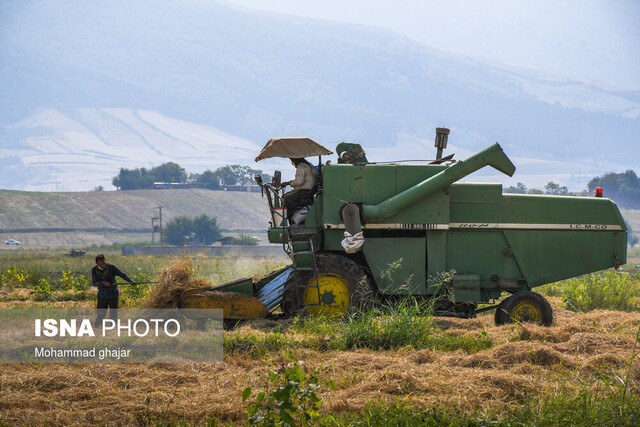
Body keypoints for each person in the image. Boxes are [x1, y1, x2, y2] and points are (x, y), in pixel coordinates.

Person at [91, 254, 135, 327]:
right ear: (97, 263)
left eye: (103, 263)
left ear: (104, 261)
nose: (102, 265)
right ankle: (98, 327)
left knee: (113, 313)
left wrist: (130, 280)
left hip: (113, 294)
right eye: (99, 264)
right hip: (102, 295)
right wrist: (103, 283)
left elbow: (122, 274)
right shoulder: (94, 270)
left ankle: (112, 328)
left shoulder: (112, 268)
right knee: (100, 313)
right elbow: (94, 283)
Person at [281, 157, 317, 223]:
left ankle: (284, 221)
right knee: (286, 196)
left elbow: (299, 181)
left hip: (304, 192)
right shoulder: (309, 165)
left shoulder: (301, 166)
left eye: (292, 160)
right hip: (309, 191)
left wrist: (289, 183)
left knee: (286, 198)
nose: (293, 163)